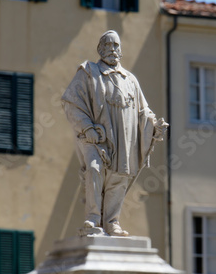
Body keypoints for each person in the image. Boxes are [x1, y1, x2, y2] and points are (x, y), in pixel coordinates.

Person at [62, 30, 167, 236]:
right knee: (94, 170)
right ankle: (93, 218)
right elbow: (71, 102)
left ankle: (111, 221)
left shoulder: (130, 80)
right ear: (100, 49)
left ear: (120, 50)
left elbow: (143, 111)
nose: (112, 50)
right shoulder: (89, 72)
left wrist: (155, 126)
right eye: (108, 45)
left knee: (119, 177)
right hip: (96, 137)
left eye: (116, 46)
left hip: (124, 138)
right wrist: (87, 127)